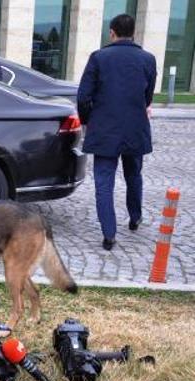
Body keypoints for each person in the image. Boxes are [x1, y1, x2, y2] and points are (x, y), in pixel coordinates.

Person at [77, 14, 156, 251]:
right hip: (135, 127)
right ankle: (135, 217)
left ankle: (109, 234)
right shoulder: (148, 59)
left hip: (104, 129)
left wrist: (87, 121)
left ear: (112, 32)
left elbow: (83, 97)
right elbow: (148, 95)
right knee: (134, 175)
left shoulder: (99, 57)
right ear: (134, 33)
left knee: (104, 183)